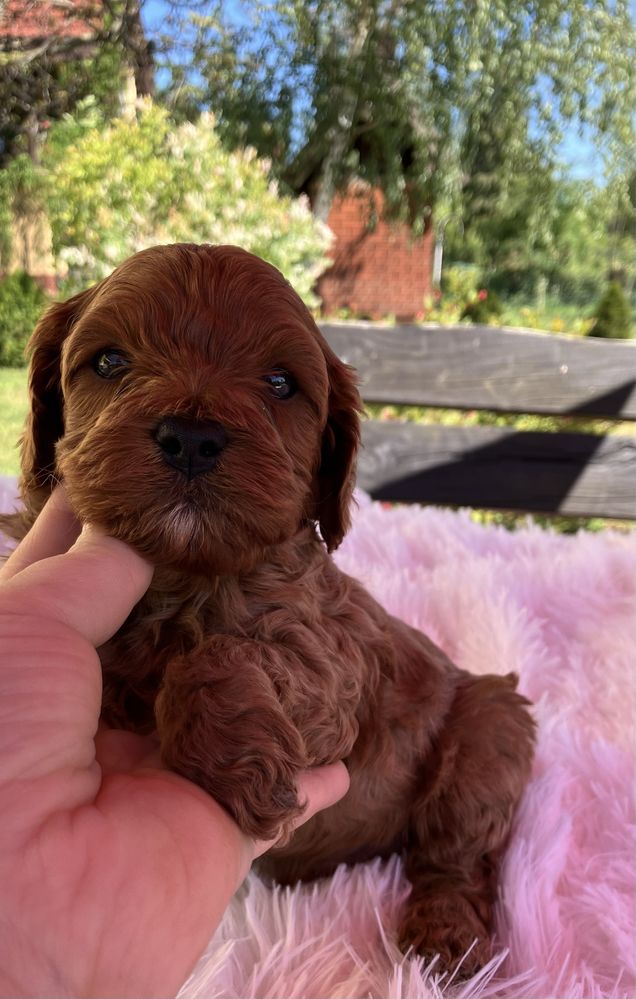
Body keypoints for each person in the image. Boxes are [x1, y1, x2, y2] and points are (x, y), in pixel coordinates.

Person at [0, 487, 349, 998]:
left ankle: (454, 876)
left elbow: (332, 715)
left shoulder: (287, 594)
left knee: (491, 733)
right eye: (121, 397)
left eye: (277, 398)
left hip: (401, 802)